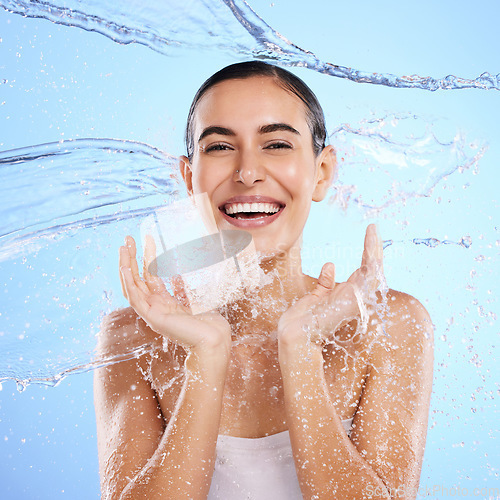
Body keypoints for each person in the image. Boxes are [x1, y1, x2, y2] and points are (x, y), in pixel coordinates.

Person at [94, 61, 434, 499]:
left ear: (322, 172)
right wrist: (207, 352)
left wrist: (301, 350)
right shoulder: (133, 336)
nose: (247, 172)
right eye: (219, 147)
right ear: (188, 177)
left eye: (275, 144)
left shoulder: (387, 324)